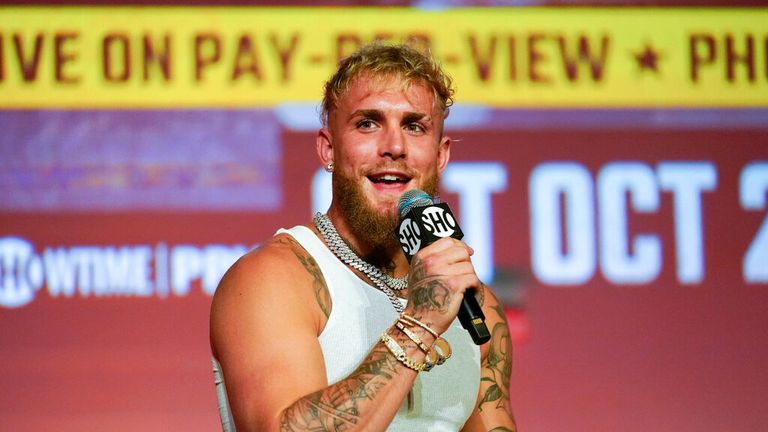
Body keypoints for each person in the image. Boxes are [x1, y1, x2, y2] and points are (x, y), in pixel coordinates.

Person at [210, 42, 517, 432]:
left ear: (441, 156)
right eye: (368, 123)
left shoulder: (476, 306)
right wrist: (419, 323)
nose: (393, 147)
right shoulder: (273, 279)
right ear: (328, 149)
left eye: (414, 126)